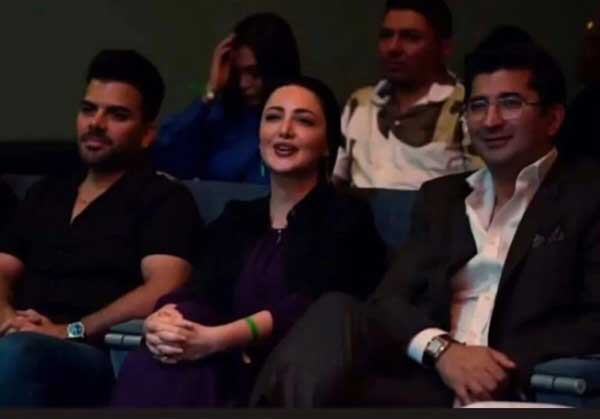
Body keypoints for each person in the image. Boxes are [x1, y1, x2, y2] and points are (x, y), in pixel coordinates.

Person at [251, 39, 600, 407]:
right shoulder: (443, 198)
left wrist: (494, 365)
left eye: (510, 103)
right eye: (478, 105)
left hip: (519, 386)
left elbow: (594, 319)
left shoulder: (587, 195)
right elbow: (389, 299)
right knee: (335, 311)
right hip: (428, 378)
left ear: (553, 118)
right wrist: (443, 351)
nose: (491, 120)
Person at [111, 76, 387, 408]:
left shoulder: (346, 215)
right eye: (273, 117)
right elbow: (199, 289)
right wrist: (163, 318)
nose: (284, 130)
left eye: (303, 121)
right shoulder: (238, 218)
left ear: (327, 143)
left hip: (299, 375)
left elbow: (313, 306)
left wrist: (218, 339)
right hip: (225, 367)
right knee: (162, 353)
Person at [0, 49, 203, 407]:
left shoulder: (163, 199)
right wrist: (7, 317)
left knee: (20, 354)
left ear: (147, 134)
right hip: (19, 337)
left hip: (94, 354)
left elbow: (164, 287)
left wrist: (69, 331)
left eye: (117, 115)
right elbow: (3, 267)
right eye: (88, 109)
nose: (96, 123)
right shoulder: (47, 191)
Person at [333, 0, 480, 190]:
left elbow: (484, 190)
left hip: (435, 208)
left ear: (444, 47)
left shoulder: (467, 106)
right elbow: (334, 181)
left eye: (411, 37)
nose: (393, 48)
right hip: (359, 208)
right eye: (386, 35)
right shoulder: (360, 103)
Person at [152, 12, 301, 183]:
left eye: (254, 73)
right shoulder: (222, 116)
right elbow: (164, 156)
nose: (243, 83)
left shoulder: (302, 122)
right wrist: (211, 92)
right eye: (237, 73)